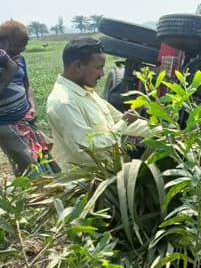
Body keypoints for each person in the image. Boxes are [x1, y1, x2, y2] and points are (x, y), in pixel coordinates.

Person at [47, 37, 150, 170]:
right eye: (98, 68)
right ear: (77, 66)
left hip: (108, 175)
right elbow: (88, 152)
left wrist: (165, 131)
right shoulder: (64, 103)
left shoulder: (87, 92)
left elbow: (122, 120)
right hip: (88, 185)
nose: (102, 74)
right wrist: (123, 123)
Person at [0, 20, 53, 176]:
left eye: (21, 49)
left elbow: (27, 85)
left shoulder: (20, 59)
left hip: (25, 118)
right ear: (3, 42)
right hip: (5, 123)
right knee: (28, 165)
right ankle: (38, 196)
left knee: (43, 158)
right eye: (15, 49)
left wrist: (32, 106)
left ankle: (52, 189)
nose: (17, 53)